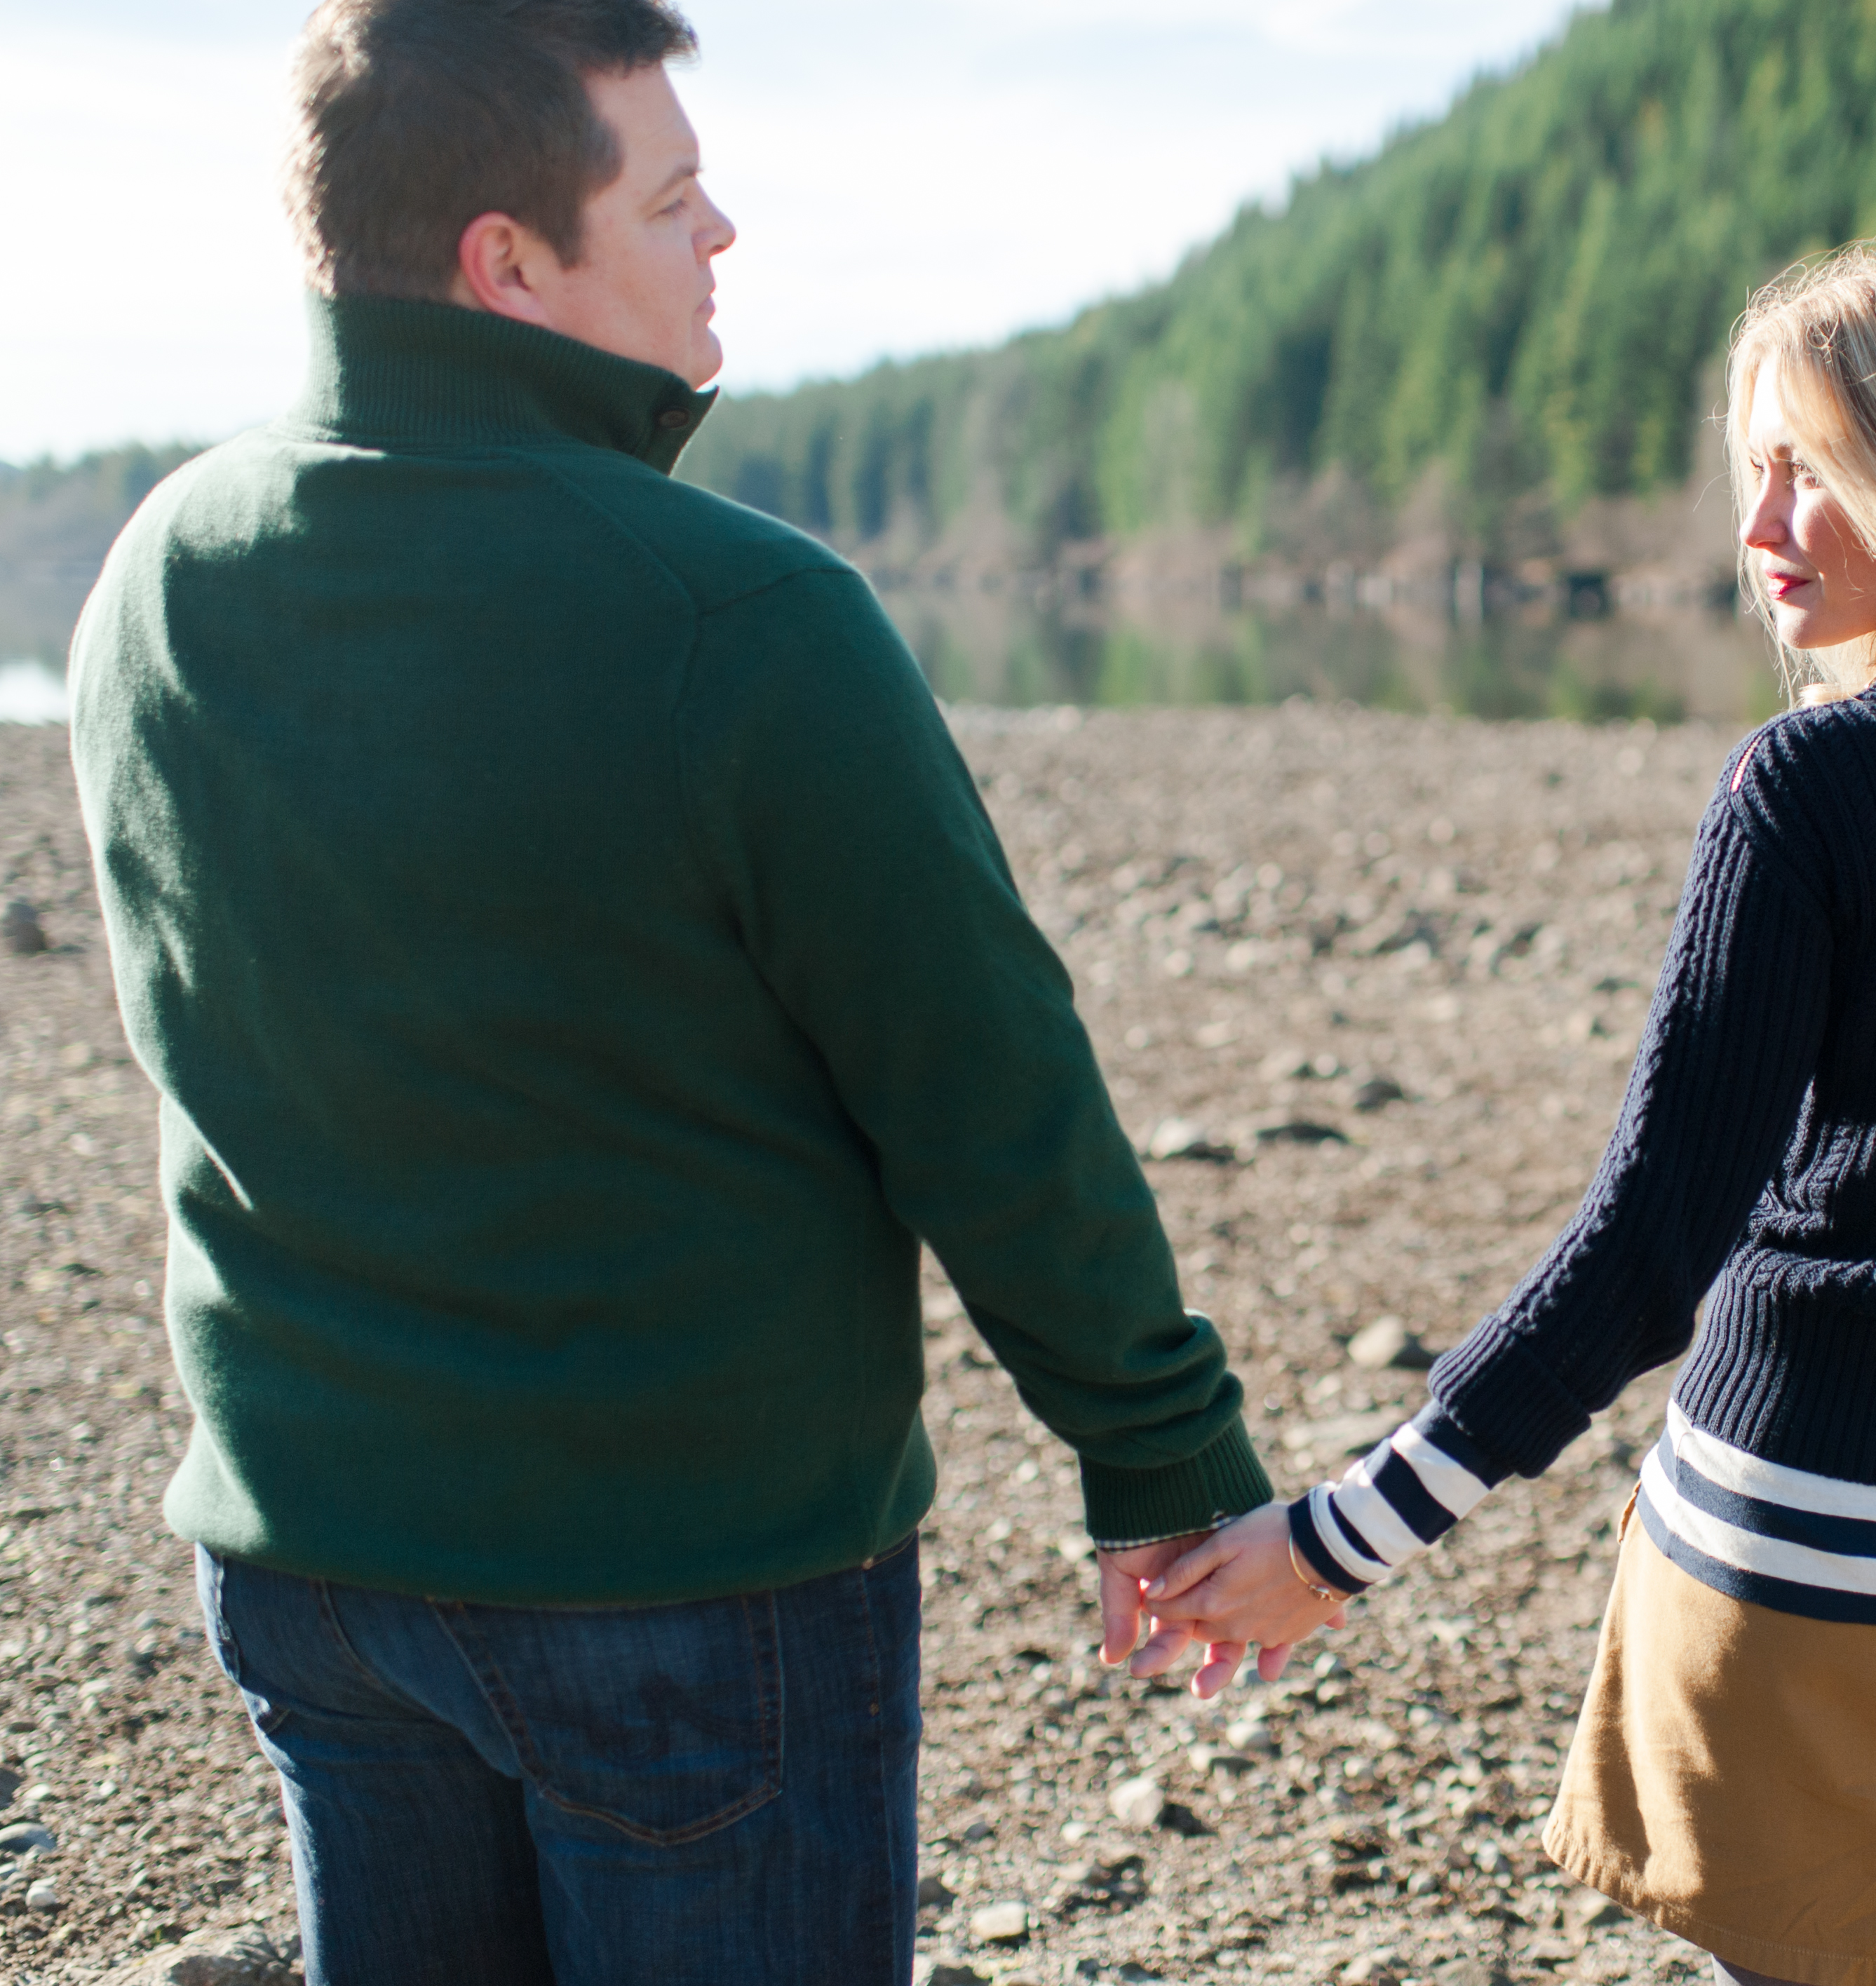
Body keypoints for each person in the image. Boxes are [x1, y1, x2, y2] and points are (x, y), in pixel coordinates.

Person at [65, 4, 1282, 1980]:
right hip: (680, 1586)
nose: (722, 240)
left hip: (310, 1565)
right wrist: (1160, 1457)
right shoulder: (741, 617)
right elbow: (986, 1093)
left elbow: (207, 1042)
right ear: (507, 260)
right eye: (676, 200)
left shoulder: (156, 579)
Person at [1145, 240, 1876, 1986]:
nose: (1764, 530)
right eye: (1753, 472)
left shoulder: (1813, 786)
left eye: (1817, 473)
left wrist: (1342, 1540)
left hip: (1792, 1575)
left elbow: (1650, 1249)